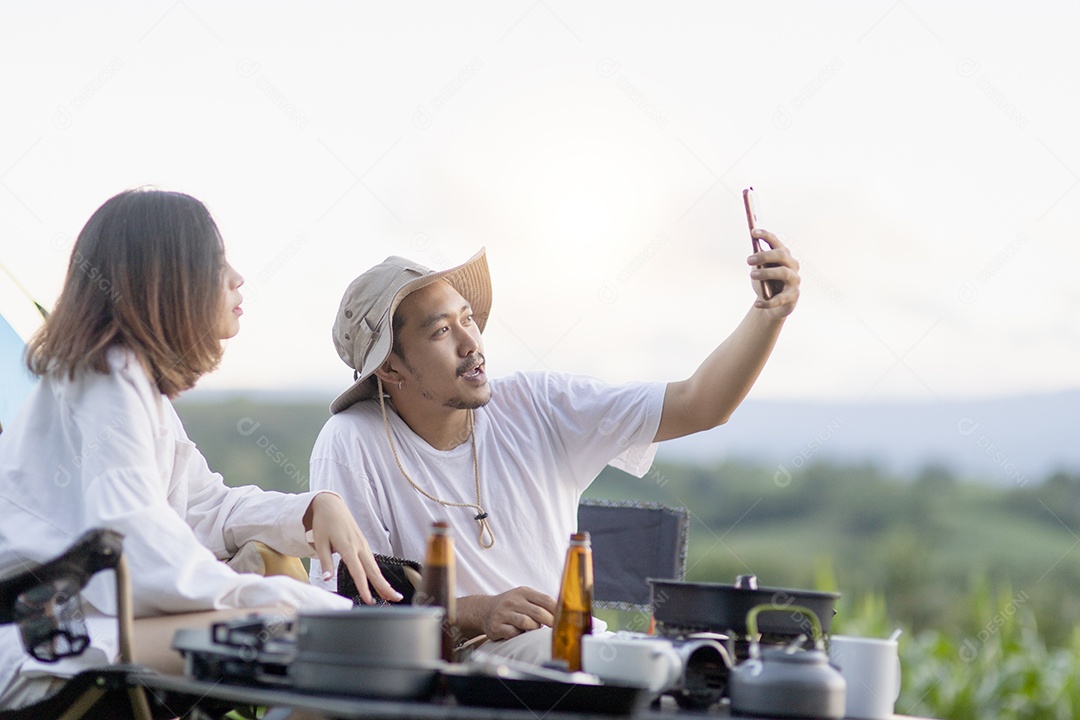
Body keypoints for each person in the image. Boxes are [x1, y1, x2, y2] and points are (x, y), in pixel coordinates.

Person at [309, 230, 800, 659]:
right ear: (390, 368)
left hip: (577, 650)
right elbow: (352, 607)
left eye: (467, 319)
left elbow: (699, 405)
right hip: (465, 672)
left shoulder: (536, 403)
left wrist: (768, 314)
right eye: (441, 330)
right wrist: (475, 612)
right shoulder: (353, 441)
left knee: (714, 661)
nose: (471, 342)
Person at [0, 189, 399, 709]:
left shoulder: (133, 386)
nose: (236, 278)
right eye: (215, 262)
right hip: (49, 642)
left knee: (289, 593)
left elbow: (204, 506)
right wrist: (294, 604)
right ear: (168, 278)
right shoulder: (108, 379)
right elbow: (138, 544)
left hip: (89, 624)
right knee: (305, 637)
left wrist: (307, 508)